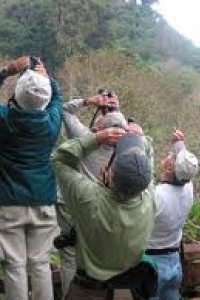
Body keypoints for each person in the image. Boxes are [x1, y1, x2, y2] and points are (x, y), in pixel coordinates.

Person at [0, 56, 62, 300]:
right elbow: (57, 99)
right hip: (43, 204)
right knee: (41, 264)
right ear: (45, 98)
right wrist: (46, 77)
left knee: (14, 266)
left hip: (9, 206)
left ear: (17, 95)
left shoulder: (0, 120)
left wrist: (8, 70)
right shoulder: (51, 124)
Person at [52, 125, 156, 300]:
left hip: (88, 292)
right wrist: (138, 138)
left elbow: (60, 159)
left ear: (107, 174)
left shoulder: (88, 199)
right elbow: (147, 164)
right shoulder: (150, 197)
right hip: (129, 292)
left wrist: (98, 137)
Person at [56, 92, 127, 298]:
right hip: (101, 210)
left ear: (99, 127)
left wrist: (88, 102)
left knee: (70, 257)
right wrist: (117, 112)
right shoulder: (127, 152)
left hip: (71, 204)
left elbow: (64, 110)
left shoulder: (85, 138)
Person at [147, 129, 198, 300]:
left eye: (171, 156)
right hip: (174, 261)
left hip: (151, 263)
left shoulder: (156, 194)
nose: (168, 156)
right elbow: (186, 169)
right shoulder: (189, 190)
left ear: (170, 168)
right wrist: (179, 144)